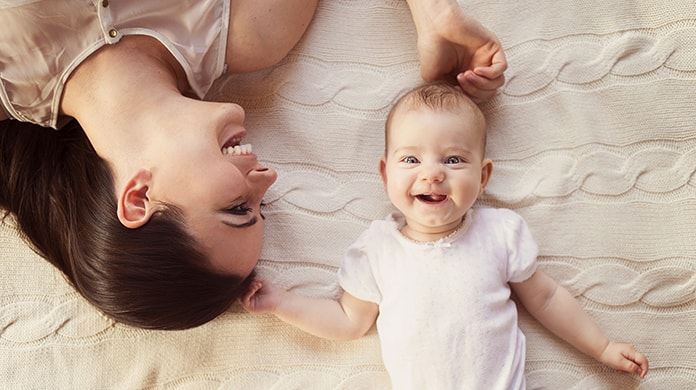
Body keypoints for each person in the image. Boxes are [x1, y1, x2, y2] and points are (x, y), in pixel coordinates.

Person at [0, 1, 507, 330]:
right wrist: (435, 16)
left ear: (139, 198)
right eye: (263, 206)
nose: (266, 178)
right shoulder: (253, 30)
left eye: (238, 207)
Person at [241, 82, 650, 389]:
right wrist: (281, 303)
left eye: (453, 159)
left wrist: (600, 347)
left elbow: (546, 297)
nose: (432, 172)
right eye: (412, 158)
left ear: (483, 175)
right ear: (386, 174)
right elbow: (348, 321)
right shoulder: (378, 251)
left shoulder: (499, 234)